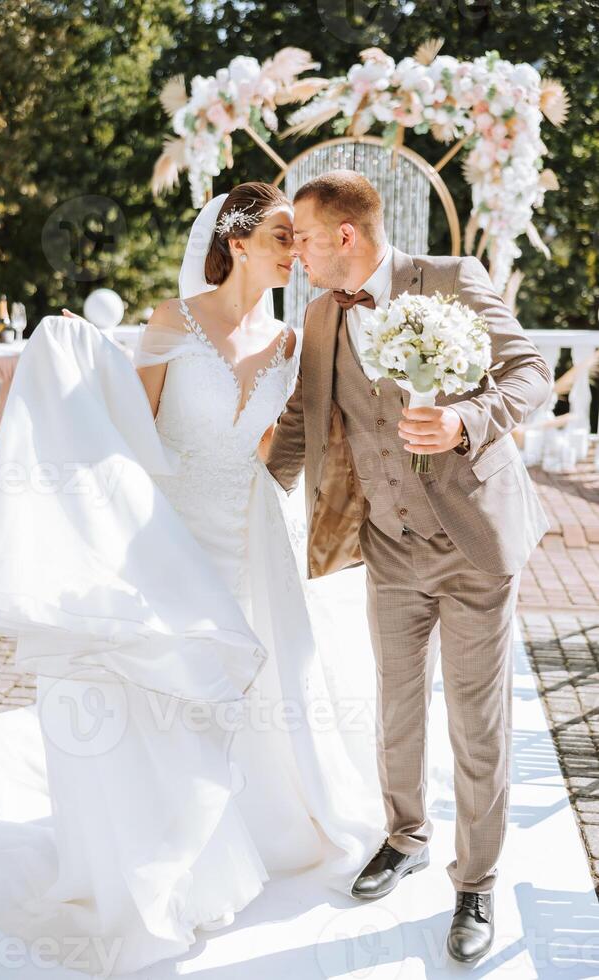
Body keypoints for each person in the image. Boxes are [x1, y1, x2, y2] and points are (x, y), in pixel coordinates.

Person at [0, 182, 381, 976]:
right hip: (175, 534)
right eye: (283, 237)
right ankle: (175, 852)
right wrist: (77, 355)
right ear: (238, 242)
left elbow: (299, 442)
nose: (297, 251)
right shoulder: (172, 322)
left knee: (252, 685)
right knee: (171, 688)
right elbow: (128, 428)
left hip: (255, 536)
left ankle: (254, 826)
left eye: (298, 238)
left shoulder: (290, 341)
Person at [266, 170, 553, 965]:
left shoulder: (452, 281)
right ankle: (407, 836)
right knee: (395, 705)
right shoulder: (323, 317)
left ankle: (477, 882)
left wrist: (465, 418)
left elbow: (528, 372)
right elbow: (301, 418)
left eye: (308, 242)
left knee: (476, 718)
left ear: (345, 238)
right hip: (387, 544)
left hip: (473, 544)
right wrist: (248, 496)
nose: (299, 259)